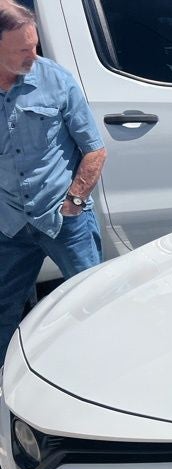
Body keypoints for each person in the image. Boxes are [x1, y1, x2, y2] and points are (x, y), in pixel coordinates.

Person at [0, 1, 106, 363]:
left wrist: (74, 202)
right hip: (9, 225)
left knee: (91, 303)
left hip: (63, 218)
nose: (34, 56)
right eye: (22, 50)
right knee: (3, 309)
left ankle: (97, 369)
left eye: (35, 45)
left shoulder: (56, 80)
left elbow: (95, 150)